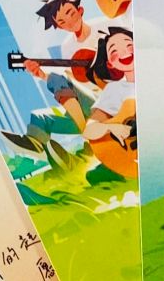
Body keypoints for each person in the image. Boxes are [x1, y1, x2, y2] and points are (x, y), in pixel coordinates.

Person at [22, 26, 138, 180]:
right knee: (42, 113)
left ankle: (78, 160)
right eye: (114, 51)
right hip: (98, 116)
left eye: (129, 45)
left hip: (109, 124)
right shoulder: (114, 88)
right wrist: (43, 75)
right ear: (109, 62)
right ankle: (37, 144)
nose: (124, 52)